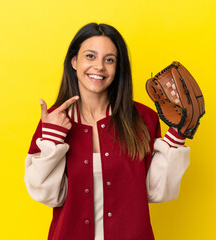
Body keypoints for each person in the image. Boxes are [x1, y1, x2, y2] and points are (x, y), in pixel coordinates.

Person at [24, 23, 190, 240]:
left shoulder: (143, 118)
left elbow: (154, 191)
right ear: (74, 62)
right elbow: (48, 195)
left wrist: (177, 134)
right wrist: (53, 137)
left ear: (117, 67)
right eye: (90, 56)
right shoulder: (55, 119)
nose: (99, 66)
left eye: (109, 59)